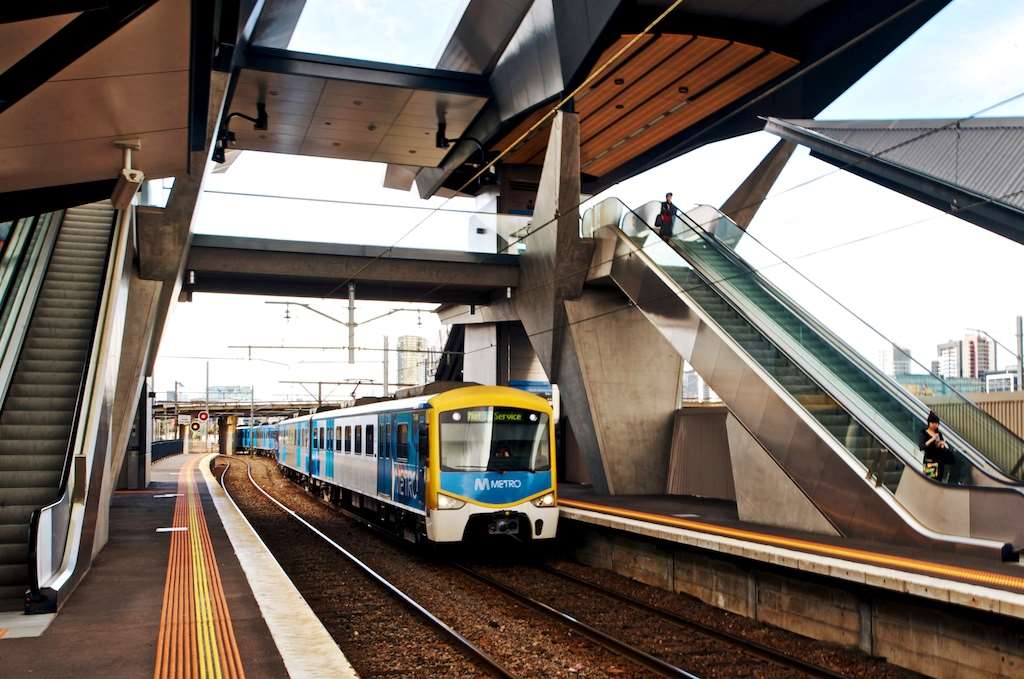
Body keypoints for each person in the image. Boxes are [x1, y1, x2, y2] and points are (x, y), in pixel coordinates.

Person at [918, 411, 952, 481]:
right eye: (933, 423)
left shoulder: (939, 433)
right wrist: (932, 439)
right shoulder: (924, 432)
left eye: (936, 423)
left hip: (939, 461)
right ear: (929, 423)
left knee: (939, 481)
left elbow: (942, 447)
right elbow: (922, 446)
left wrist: (942, 444)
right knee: (930, 481)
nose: (935, 425)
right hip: (929, 460)